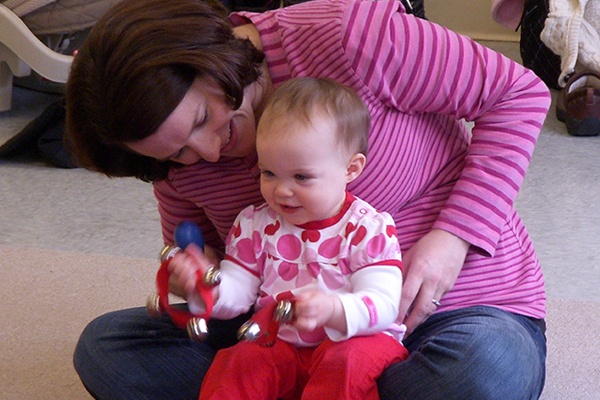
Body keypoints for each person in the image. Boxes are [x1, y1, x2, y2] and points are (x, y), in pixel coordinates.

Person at [65, 0, 551, 399]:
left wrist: (453, 238)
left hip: (449, 309)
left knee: (487, 369)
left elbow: (518, 94)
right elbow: (214, 266)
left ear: (212, 57)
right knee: (107, 349)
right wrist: (199, 281)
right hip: (282, 334)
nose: (211, 152)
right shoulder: (170, 163)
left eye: (199, 121)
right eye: (179, 153)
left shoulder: (346, 37)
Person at [168, 77, 409, 399]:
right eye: (269, 173)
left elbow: (384, 304)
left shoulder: (367, 228)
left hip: (357, 340)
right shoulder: (255, 224)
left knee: (346, 364)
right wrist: (204, 284)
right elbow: (238, 293)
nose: (281, 190)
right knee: (240, 361)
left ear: (351, 169)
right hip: (280, 341)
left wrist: (334, 309)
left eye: (301, 176)